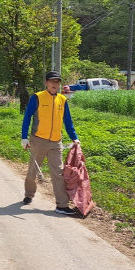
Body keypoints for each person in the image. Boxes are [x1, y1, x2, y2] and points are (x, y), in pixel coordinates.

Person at [20, 71, 81, 216]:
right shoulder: (37, 97)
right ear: (46, 83)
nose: (55, 85)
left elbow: (68, 121)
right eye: (52, 82)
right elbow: (27, 117)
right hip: (38, 140)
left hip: (56, 142)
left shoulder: (62, 100)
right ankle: (29, 194)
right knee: (32, 171)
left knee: (58, 173)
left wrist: (74, 137)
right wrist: (24, 137)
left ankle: (62, 205)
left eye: (57, 82)